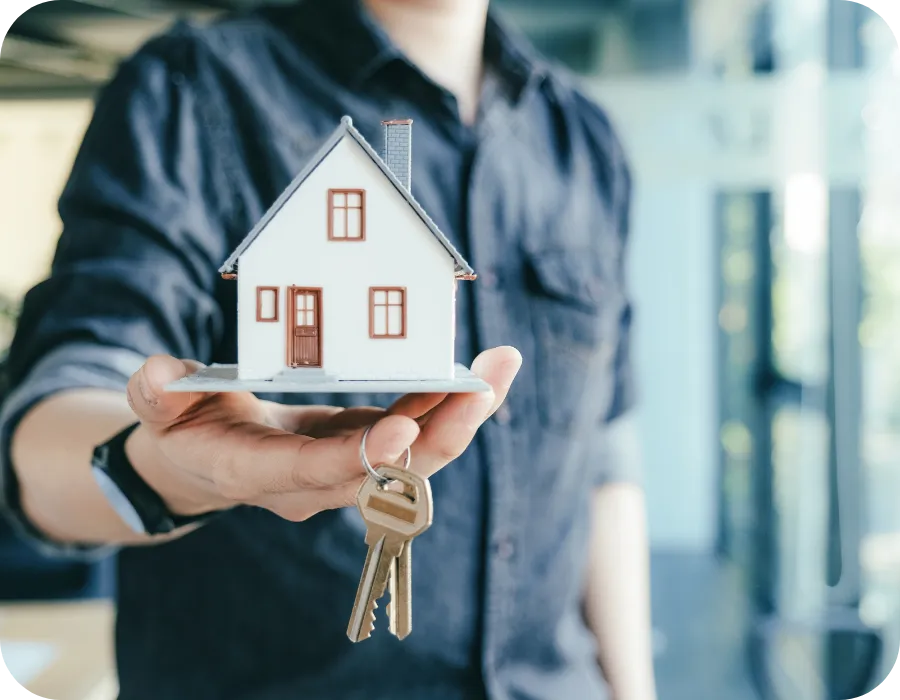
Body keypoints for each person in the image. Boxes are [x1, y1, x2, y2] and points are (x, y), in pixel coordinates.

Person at [0, 0, 657, 698]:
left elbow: (604, 463)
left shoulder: (584, 138)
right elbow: (60, 411)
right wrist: (168, 467)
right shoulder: (192, 88)